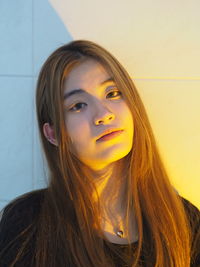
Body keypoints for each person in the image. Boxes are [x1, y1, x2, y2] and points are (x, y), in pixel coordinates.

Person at [0, 40, 199, 267]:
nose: (103, 114)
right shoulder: (28, 224)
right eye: (77, 105)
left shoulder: (183, 221)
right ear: (53, 134)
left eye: (113, 93)